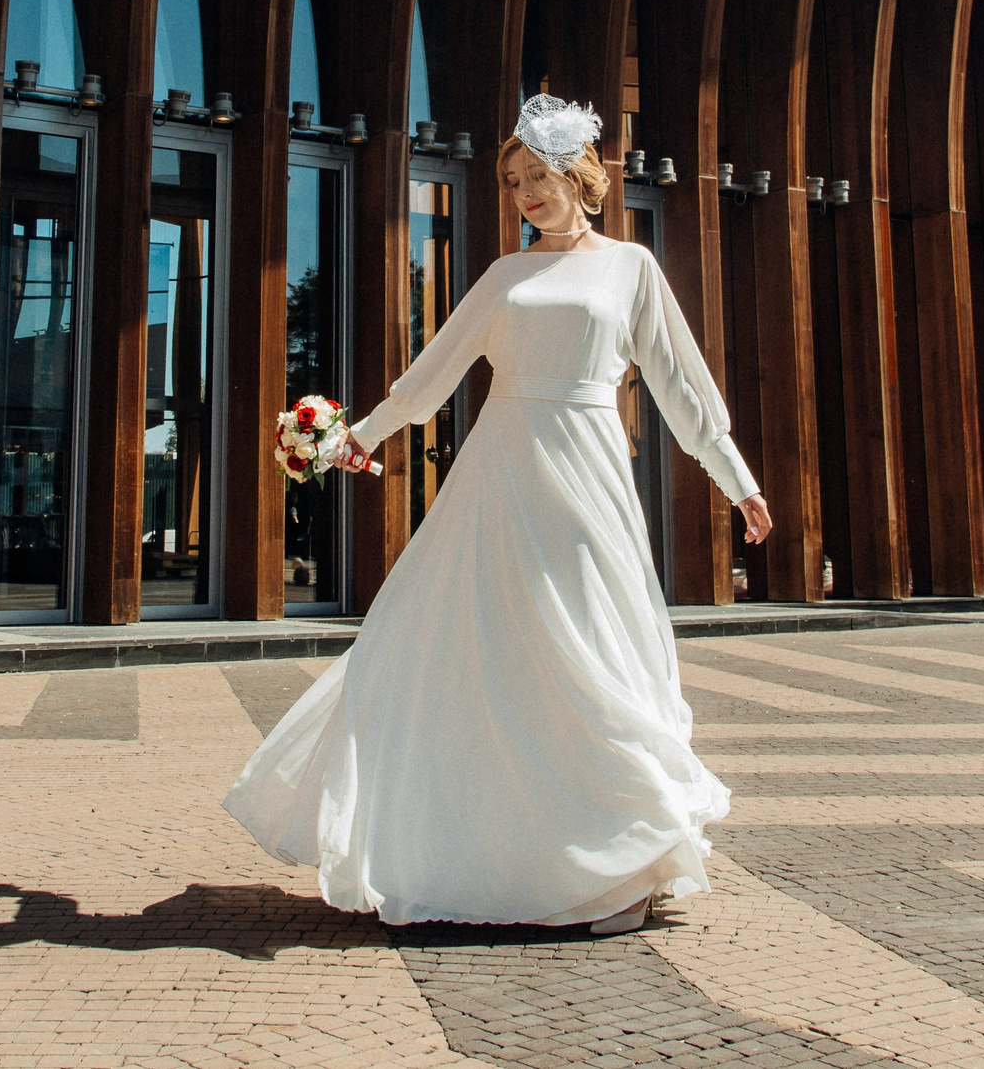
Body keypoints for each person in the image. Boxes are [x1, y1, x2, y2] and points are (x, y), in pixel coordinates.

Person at [225, 95, 774, 935]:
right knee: (485, 655)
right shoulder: (505, 278)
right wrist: (349, 440)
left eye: (538, 177)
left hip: (588, 476)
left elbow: (681, 386)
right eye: (515, 181)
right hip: (500, 474)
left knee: (596, 654)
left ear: (580, 178)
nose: (525, 193)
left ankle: (629, 857)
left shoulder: (631, 269)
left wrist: (735, 478)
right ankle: (533, 856)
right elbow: (428, 378)